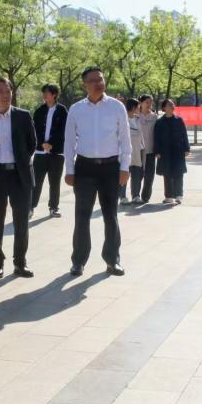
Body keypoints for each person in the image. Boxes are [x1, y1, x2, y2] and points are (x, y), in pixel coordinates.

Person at [64, 66, 131, 276]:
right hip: (84, 168)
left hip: (111, 168)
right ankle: (78, 260)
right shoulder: (76, 109)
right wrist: (69, 170)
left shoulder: (117, 107)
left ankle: (112, 260)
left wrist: (124, 167)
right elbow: (69, 142)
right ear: (85, 84)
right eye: (92, 80)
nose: (98, 83)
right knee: (82, 216)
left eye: (100, 79)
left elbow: (125, 140)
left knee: (111, 216)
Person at [0, 77, 37, 278]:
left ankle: (20, 263)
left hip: (20, 176)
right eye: (0, 91)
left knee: (21, 223)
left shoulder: (23, 116)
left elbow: (32, 144)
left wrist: (21, 162)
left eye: (8, 91)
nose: (5, 95)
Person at [31, 83, 68, 217]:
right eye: (44, 92)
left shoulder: (62, 111)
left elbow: (63, 130)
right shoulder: (39, 111)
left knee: (54, 182)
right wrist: (42, 143)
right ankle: (30, 207)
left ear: (54, 94)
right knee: (36, 181)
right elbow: (34, 130)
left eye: (47, 92)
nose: (44, 95)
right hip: (40, 152)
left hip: (56, 153)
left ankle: (53, 207)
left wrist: (52, 144)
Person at [154, 99, 191, 205]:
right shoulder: (159, 122)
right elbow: (156, 138)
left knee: (179, 173)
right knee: (167, 173)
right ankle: (169, 196)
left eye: (173, 104)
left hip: (178, 150)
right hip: (165, 151)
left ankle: (179, 195)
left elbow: (184, 135)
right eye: (170, 104)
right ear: (164, 108)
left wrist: (186, 149)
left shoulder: (179, 120)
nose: (172, 106)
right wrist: (157, 151)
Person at [120, 97, 145, 204]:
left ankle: (136, 195)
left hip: (138, 150)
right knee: (125, 173)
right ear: (134, 107)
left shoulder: (138, 119)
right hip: (125, 152)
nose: (139, 109)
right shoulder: (122, 119)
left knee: (137, 174)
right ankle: (122, 197)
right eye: (138, 107)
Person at [136, 95, 158, 204]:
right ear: (141, 103)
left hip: (150, 150)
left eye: (151, 102)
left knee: (149, 175)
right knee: (137, 175)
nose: (149, 104)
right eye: (147, 102)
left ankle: (145, 196)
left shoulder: (154, 117)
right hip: (137, 151)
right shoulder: (135, 116)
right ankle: (135, 195)